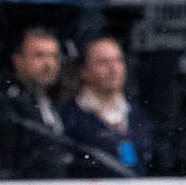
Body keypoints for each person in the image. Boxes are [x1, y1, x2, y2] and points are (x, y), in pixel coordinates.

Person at [0, 26, 71, 180]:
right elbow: (3, 162)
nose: (48, 64)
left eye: (53, 56)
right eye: (39, 56)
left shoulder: (52, 101)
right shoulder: (7, 102)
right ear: (18, 60)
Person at [62, 36, 154, 175]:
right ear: (84, 71)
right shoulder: (70, 116)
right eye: (103, 62)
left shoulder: (138, 114)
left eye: (118, 60)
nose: (113, 69)